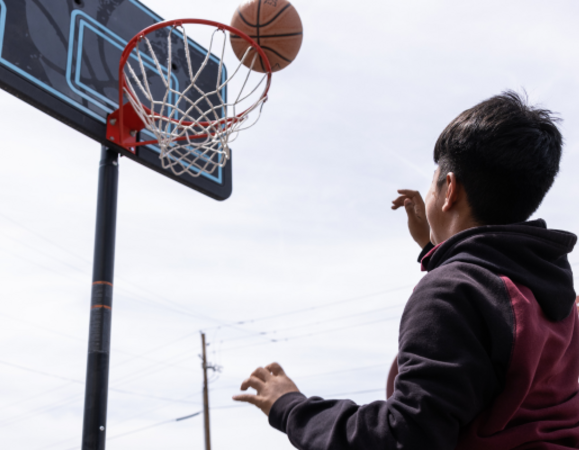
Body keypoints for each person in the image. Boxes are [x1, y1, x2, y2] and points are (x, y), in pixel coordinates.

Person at [232, 91, 579, 449]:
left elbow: (405, 435)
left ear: (449, 190)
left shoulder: (451, 291)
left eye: (433, 180)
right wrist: (434, 250)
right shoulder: (552, 294)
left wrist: (288, 406)